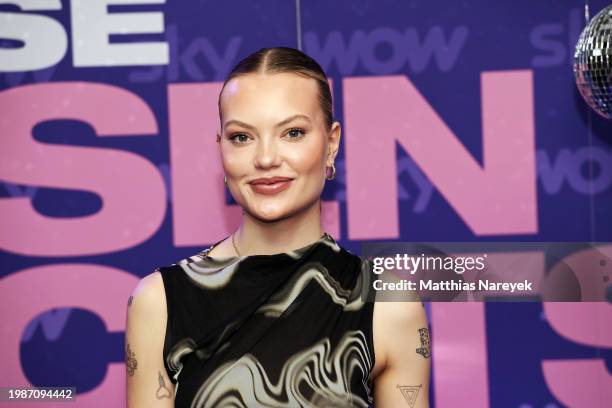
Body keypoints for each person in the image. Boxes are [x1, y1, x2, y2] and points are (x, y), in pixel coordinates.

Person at [125, 46, 430, 407]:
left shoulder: (387, 305)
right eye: (242, 137)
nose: (266, 158)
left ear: (331, 143)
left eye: (293, 133)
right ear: (220, 148)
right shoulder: (160, 301)